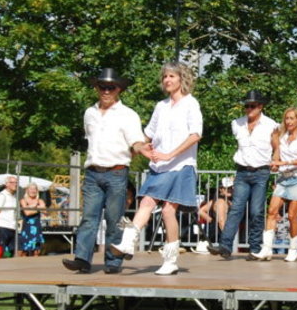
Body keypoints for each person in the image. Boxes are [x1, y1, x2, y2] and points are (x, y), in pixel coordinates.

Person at [111, 61, 202, 276]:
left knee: (169, 211)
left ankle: (170, 260)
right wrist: (136, 149)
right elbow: (148, 134)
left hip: (181, 165)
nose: (167, 80)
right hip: (159, 166)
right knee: (147, 202)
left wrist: (171, 154)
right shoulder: (161, 106)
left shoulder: (191, 104)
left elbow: (196, 135)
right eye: (165, 77)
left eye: (172, 76)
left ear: (181, 79)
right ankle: (128, 242)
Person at [63, 68, 146, 276]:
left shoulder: (128, 115)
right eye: (102, 87)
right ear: (96, 88)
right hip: (92, 172)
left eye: (111, 87)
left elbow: (136, 141)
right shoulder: (89, 113)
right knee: (88, 217)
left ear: (119, 89)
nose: (106, 91)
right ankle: (82, 259)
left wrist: (142, 150)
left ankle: (113, 260)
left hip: (116, 172)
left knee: (114, 218)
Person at [215, 90, 280, 260]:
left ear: (260, 107)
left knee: (256, 211)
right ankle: (225, 246)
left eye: (252, 106)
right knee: (236, 208)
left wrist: (275, 161)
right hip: (242, 171)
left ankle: (255, 248)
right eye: (247, 106)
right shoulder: (236, 124)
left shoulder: (271, 125)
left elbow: (277, 147)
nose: (249, 109)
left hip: (261, 171)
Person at [268, 107, 297, 263]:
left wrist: (286, 162)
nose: (288, 121)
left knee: (292, 216)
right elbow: (277, 156)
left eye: (292, 118)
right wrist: (275, 163)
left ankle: (293, 250)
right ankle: (266, 248)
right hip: (283, 177)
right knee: (272, 211)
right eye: (286, 118)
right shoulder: (282, 137)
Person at [197, 177, 233, 254]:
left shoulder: (219, 200)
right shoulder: (221, 202)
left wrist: (210, 219)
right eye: (227, 188)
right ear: (221, 189)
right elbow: (221, 222)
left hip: (216, 235)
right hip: (219, 236)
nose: (230, 190)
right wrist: (228, 239)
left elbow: (200, 211)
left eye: (231, 188)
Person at [18, 183, 45, 256]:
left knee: (36, 251)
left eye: (34, 189)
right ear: (27, 190)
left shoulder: (40, 200)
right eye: (31, 189)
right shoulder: (23, 200)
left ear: (37, 191)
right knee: (24, 251)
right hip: (26, 228)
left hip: (36, 229)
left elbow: (45, 211)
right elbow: (27, 213)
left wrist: (30, 207)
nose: (33, 191)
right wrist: (37, 208)